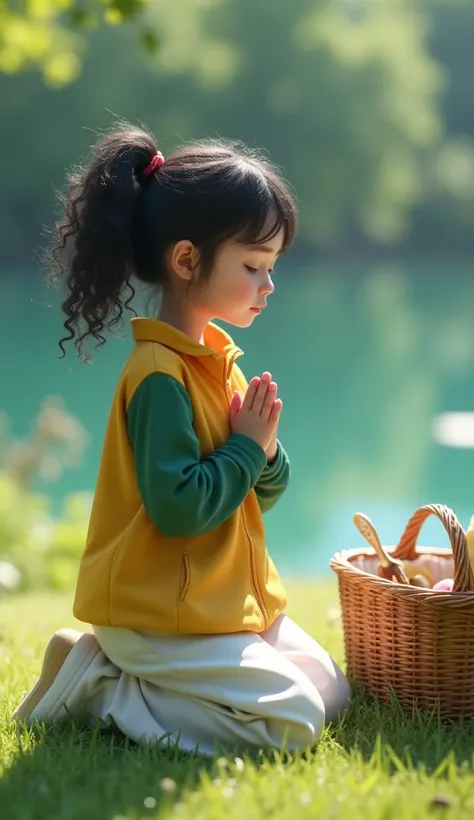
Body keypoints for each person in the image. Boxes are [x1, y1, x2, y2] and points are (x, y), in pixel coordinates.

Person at [13, 123, 351, 756]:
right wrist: (247, 448)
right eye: (253, 266)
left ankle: (113, 678)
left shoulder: (218, 359)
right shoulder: (159, 376)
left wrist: (265, 451)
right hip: (157, 614)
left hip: (216, 606)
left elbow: (255, 495)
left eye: (271, 267)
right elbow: (177, 508)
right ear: (188, 259)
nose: (268, 285)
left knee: (331, 690)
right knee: (294, 723)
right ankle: (101, 686)